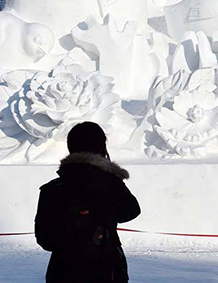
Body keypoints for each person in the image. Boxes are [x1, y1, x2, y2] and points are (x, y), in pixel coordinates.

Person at [35, 121, 141, 282]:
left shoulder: (52, 189)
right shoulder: (111, 184)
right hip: (108, 271)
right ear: (101, 149)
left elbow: (45, 240)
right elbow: (131, 211)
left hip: (63, 272)